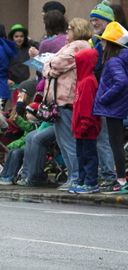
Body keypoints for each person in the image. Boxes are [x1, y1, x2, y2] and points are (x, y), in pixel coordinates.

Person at [42, 17, 92, 191]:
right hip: (60, 100)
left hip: (66, 99)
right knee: (63, 143)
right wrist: (49, 66)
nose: (66, 33)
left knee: (69, 143)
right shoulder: (71, 46)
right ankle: (73, 176)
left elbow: (55, 63)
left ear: (77, 30)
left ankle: (75, 176)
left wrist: (48, 65)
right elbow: (51, 66)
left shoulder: (78, 46)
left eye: (70, 29)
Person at [93, 21, 128, 193]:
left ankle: (121, 180)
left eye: (104, 41)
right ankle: (121, 178)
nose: (102, 43)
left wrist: (105, 99)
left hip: (114, 108)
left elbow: (121, 82)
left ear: (111, 44)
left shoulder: (113, 61)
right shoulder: (122, 58)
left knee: (116, 143)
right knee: (117, 143)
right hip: (119, 107)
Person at [88, 0, 119, 192]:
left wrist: (105, 96)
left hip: (110, 99)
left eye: (97, 19)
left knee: (104, 138)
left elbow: (116, 76)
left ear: (108, 20)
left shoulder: (113, 43)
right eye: (92, 19)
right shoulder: (97, 42)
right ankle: (108, 174)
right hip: (102, 96)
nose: (93, 22)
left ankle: (110, 175)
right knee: (103, 137)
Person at [69, 48, 101, 194]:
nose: (76, 66)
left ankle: (91, 182)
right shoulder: (82, 80)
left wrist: (84, 124)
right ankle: (82, 180)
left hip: (87, 127)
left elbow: (87, 107)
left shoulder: (88, 81)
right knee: (81, 156)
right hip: (80, 128)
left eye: (78, 63)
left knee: (89, 156)